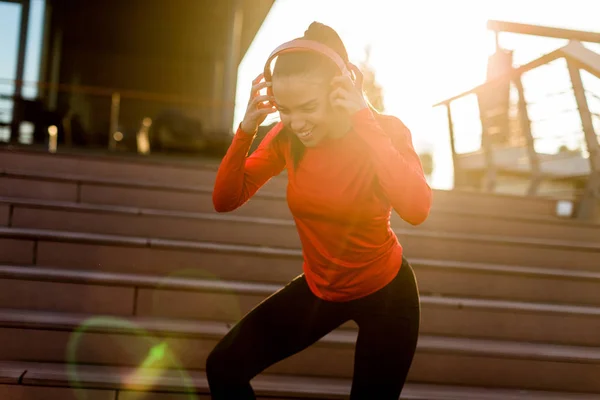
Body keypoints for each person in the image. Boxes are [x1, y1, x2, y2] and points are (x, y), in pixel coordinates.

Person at [208, 21, 432, 399]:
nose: (296, 123)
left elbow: (417, 208)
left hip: (387, 292)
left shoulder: (385, 131)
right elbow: (225, 199)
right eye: (285, 110)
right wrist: (246, 130)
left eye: (307, 108)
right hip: (319, 289)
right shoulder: (287, 138)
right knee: (224, 366)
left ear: (340, 89)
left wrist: (365, 120)